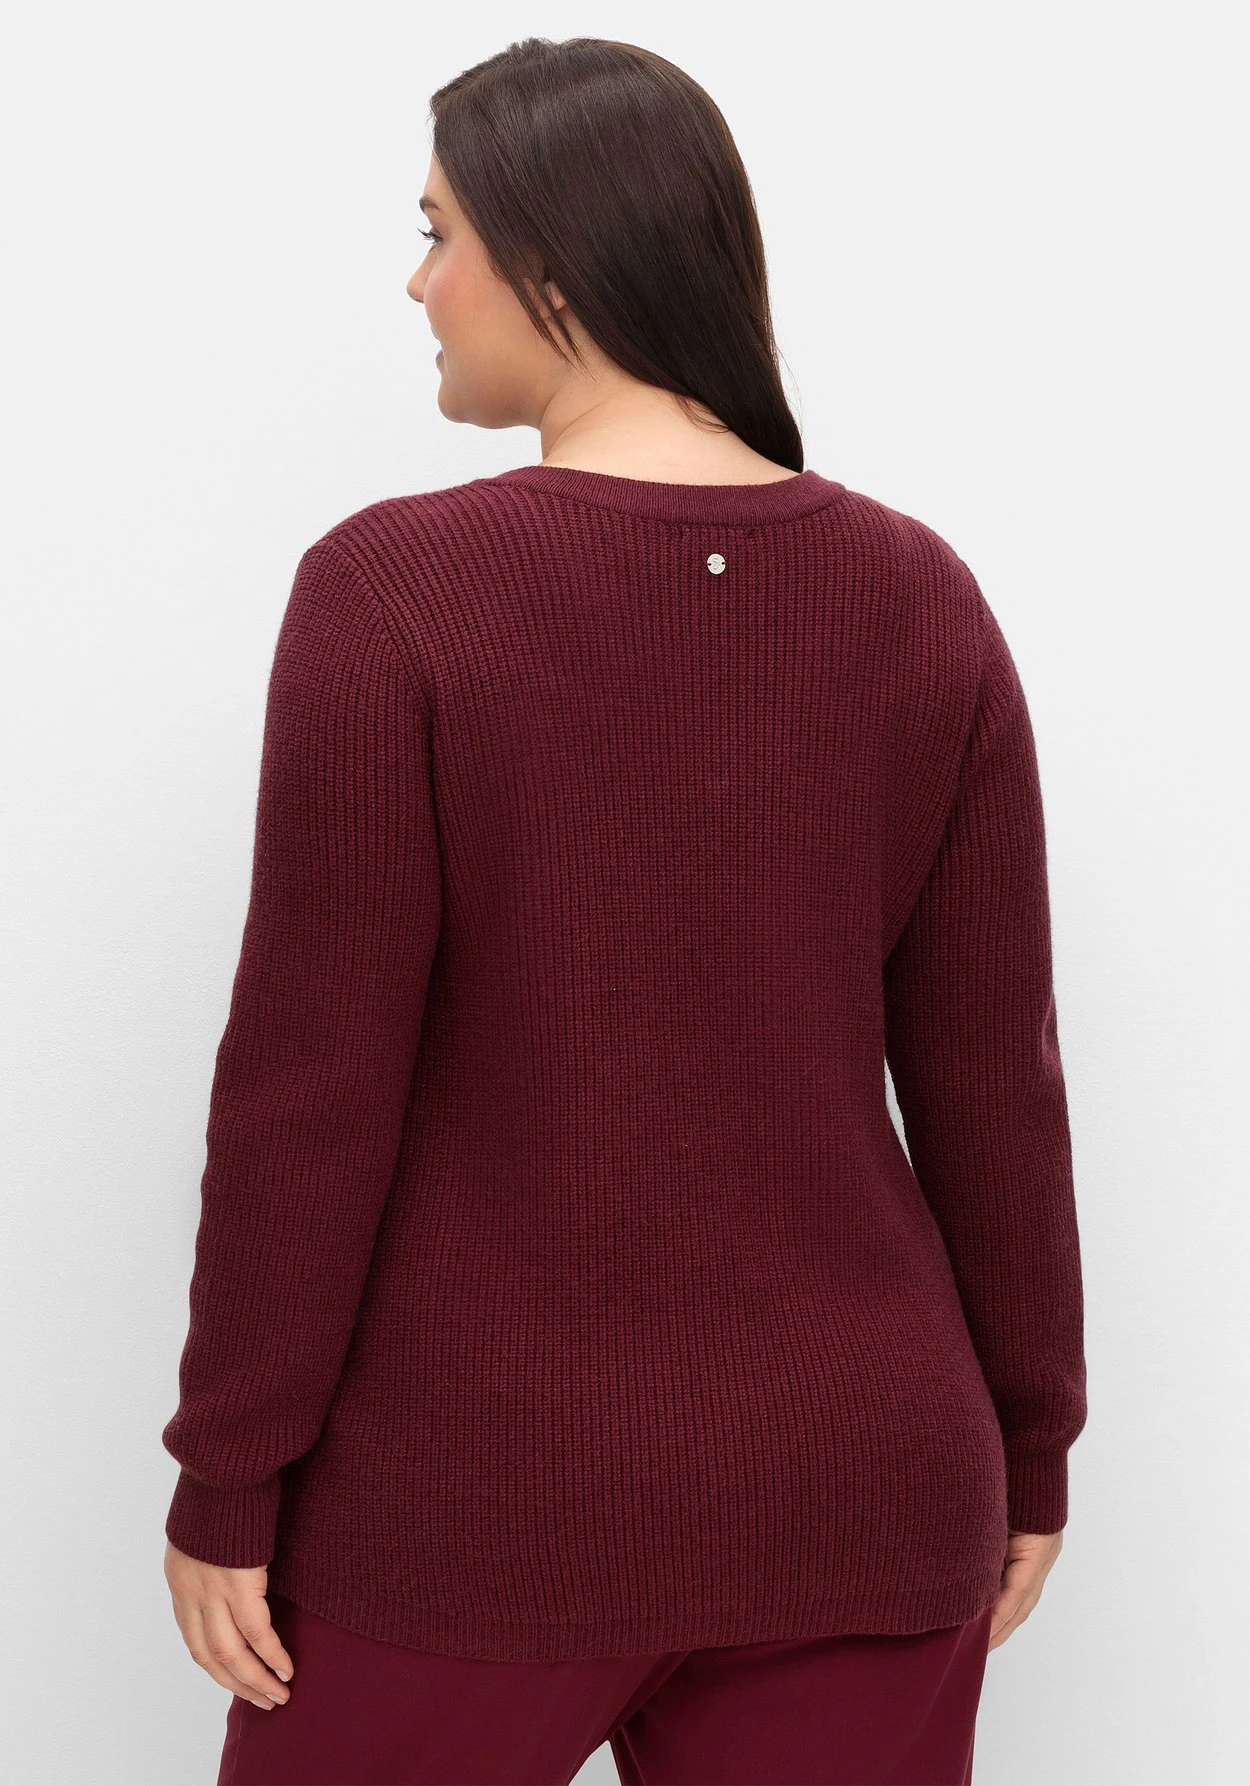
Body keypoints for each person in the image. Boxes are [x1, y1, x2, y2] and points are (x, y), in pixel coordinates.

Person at [160, 34, 1087, 1786]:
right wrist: (1031, 1436)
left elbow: (307, 1092)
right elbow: (996, 1085)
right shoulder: (920, 599)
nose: (417, 283)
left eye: (437, 232)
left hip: (470, 1506)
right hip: (865, 1486)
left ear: (555, 261)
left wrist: (229, 1465)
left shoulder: (394, 591)